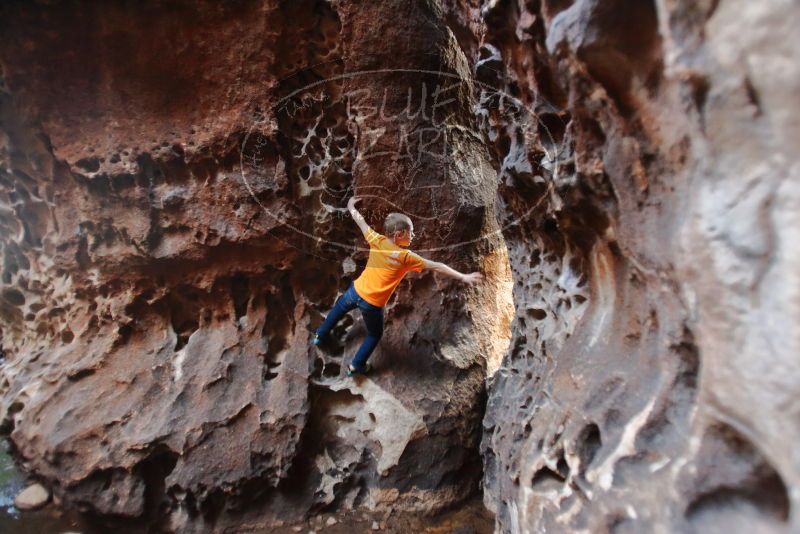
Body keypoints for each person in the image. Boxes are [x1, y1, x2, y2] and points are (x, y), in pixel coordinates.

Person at [314, 196, 483, 376]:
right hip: (372, 304)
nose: (413, 235)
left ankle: (320, 335)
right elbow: (437, 266)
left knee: (338, 309)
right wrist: (463, 276)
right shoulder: (405, 257)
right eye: (410, 232)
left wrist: (349, 205)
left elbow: (359, 220)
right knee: (374, 334)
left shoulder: (376, 239)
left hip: (355, 291)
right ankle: (356, 366)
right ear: (399, 235)